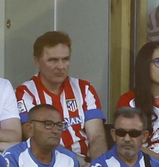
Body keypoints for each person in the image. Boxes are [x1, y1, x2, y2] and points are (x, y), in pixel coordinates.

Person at [16, 31, 106, 159]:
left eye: (65, 59)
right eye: (53, 60)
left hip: (88, 165)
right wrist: (75, 162)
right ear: (37, 62)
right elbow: (36, 138)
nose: (61, 66)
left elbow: (97, 137)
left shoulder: (84, 89)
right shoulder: (25, 93)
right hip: (48, 165)